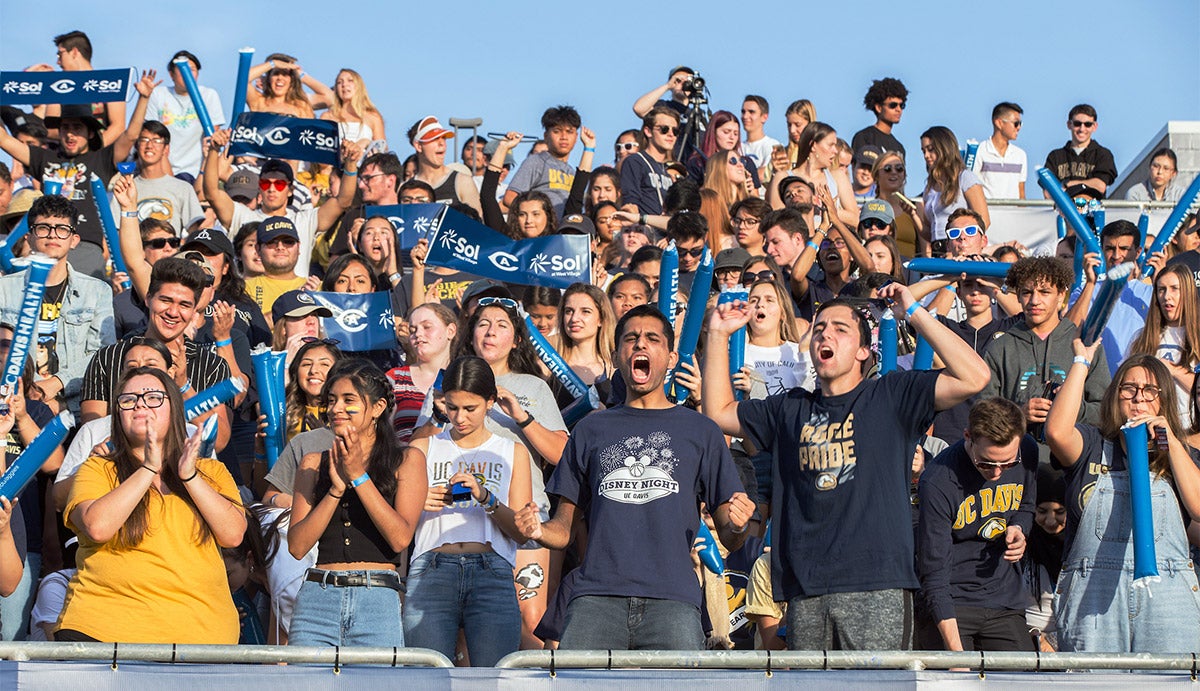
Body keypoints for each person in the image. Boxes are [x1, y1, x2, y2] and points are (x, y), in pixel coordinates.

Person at [702, 282, 992, 651]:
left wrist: (915, 311)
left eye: (841, 329)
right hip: (807, 589)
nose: (826, 334)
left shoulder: (891, 395)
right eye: (819, 328)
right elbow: (719, 413)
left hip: (878, 585)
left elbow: (975, 376)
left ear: (862, 351)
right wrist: (716, 333)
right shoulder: (789, 408)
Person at [514, 304, 754, 649]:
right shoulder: (590, 428)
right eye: (631, 339)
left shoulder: (701, 430)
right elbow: (563, 529)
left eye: (652, 339)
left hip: (673, 600)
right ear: (617, 355)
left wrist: (739, 523)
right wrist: (538, 530)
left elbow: (731, 538)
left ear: (671, 358)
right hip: (595, 599)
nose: (640, 345)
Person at [57, 367, 245, 643]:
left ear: (175, 409)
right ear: (118, 414)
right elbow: (97, 527)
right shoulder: (97, 468)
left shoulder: (211, 472)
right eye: (129, 399)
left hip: (201, 642)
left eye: (154, 397)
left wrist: (190, 477)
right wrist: (147, 469)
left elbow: (233, 534)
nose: (140, 404)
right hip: (104, 637)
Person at [1045, 347, 1200, 652]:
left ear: (1165, 399)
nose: (1139, 397)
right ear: (1115, 395)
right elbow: (1056, 432)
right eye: (1129, 388)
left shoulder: (1183, 457)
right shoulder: (1091, 445)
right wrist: (1081, 361)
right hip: (1093, 596)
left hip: (1168, 596)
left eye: (1151, 390)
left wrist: (1169, 439)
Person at [403, 356, 533, 666]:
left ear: (490, 401)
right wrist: (415, 501)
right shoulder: (423, 447)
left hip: (493, 571)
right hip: (431, 569)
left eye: (470, 408)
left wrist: (484, 496)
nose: (459, 418)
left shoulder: (512, 451)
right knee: (425, 680)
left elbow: (520, 531)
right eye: (452, 407)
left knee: (495, 679)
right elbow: (396, 523)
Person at [287, 358, 426, 646]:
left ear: (377, 408)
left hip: (376, 599)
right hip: (318, 597)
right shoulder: (313, 463)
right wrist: (335, 490)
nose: (336, 409)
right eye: (332, 400)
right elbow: (297, 546)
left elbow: (400, 538)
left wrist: (359, 477)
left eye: (348, 400)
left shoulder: (407, 460)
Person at [0, 72, 156, 279]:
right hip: (47, 244)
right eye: (65, 127)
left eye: (77, 128)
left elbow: (131, 135)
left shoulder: (101, 159)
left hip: (85, 246)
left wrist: (144, 98)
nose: (70, 134)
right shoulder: (44, 158)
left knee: (86, 308)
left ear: (90, 133)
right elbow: (3, 139)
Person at [917, 397, 1037, 652]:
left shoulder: (1027, 450)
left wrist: (1019, 528)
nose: (996, 473)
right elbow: (934, 573)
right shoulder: (939, 480)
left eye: (1007, 463)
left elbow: (1026, 506)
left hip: (1005, 600)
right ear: (968, 436)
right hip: (952, 601)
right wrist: (955, 657)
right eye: (986, 462)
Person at [981, 257, 1110, 463]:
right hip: (1016, 464)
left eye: (1044, 292)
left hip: (1076, 462)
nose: (1034, 301)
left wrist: (1071, 407)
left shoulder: (1083, 344)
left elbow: (1106, 411)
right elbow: (983, 413)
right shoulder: (1000, 347)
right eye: (1026, 292)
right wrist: (1019, 413)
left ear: (1061, 295)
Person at [0, 194, 114, 417]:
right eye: (43, 228)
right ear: (29, 237)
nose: (53, 234)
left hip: (75, 409)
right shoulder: (3, 289)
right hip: (11, 407)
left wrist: (56, 384)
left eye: (62, 228)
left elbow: (102, 355)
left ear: (74, 240)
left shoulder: (97, 291)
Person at [203, 132, 362, 279]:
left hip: (292, 303)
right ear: (259, 188)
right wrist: (213, 150)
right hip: (248, 301)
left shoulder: (305, 220)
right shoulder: (243, 215)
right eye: (266, 184)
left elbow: (343, 200)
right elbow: (211, 193)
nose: (271, 189)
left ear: (291, 190)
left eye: (279, 184)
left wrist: (351, 163)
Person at [1128, 263, 1200, 425]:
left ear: (1188, 292)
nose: (1167, 296)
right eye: (1161, 289)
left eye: (1175, 288)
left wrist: (1173, 371)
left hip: (1191, 432)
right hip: (1152, 431)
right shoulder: (1141, 337)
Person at [146, 50, 227, 178]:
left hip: (197, 170)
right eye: (182, 69)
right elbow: (151, 133)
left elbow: (212, 136)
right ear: (171, 74)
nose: (187, 73)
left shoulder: (208, 95)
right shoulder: (158, 94)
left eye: (192, 69)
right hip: (165, 168)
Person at [38, 31, 126, 146]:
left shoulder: (109, 82)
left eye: (60, 54)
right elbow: (50, 130)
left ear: (74, 52)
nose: (58, 62)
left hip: (103, 158)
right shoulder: (58, 87)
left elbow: (118, 126)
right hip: (69, 159)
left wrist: (93, 152)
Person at [390, 303, 456, 443]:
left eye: (427, 327)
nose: (418, 334)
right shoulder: (394, 378)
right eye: (413, 330)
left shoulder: (466, 376)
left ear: (450, 331)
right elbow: (382, 435)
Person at [919, 127, 990, 253]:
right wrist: (913, 214)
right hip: (938, 250)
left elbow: (984, 220)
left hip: (958, 249)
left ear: (944, 148)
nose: (926, 156)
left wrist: (961, 247)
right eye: (923, 151)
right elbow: (930, 232)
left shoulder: (965, 177)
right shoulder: (929, 187)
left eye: (930, 150)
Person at [128, 121, 205, 234]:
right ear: (137, 145)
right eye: (144, 140)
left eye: (156, 141)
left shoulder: (183, 188)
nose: (149, 146)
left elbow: (194, 232)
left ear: (166, 149)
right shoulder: (126, 188)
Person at [504, 106, 580, 216]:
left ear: (576, 137)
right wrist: (537, 217)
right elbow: (510, 197)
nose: (564, 137)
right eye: (557, 131)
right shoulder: (536, 162)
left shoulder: (572, 171)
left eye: (569, 132)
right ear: (546, 136)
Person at [409, 116, 481, 216]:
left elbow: (477, 225)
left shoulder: (462, 182)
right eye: (434, 139)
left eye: (443, 138)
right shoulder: (406, 188)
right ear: (418, 146)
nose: (442, 143)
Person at [1042, 105, 1117, 198]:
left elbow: (1100, 186)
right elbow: (1048, 193)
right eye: (1077, 124)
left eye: (1087, 124)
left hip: (1092, 211)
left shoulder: (1103, 155)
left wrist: (1068, 184)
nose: (1082, 129)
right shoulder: (1055, 156)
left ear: (1094, 126)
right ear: (1069, 125)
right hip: (1061, 211)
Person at [246, 217, 308, 322]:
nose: (280, 247)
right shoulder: (243, 289)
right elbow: (247, 328)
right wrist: (296, 301)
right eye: (271, 242)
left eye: (288, 242)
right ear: (258, 249)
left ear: (298, 247)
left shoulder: (317, 288)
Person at [620, 106, 678, 217]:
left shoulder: (675, 168)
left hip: (671, 229)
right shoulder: (635, 162)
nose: (671, 134)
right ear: (648, 131)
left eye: (675, 131)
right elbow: (631, 203)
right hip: (646, 230)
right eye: (664, 129)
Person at [557, 283, 615, 390]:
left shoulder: (614, 370)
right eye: (569, 311)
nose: (574, 318)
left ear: (601, 319)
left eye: (585, 312)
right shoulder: (548, 367)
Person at [972, 102, 1027, 200]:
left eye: (1020, 124)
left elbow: (1021, 192)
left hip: (1014, 214)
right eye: (1016, 123)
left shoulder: (1020, 155)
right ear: (999, 123)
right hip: (987, 213)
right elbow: (972, 187)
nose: (1019, 127)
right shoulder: (980, 150)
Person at [872, 152, 923, 257]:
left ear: (904, 175)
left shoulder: (916, 208)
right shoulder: (869, 210)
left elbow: (925, 247)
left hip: (909, 270)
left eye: (899, 168)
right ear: (876, 175)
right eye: (887, 169)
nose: (894, 172)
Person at [321, 68, 386, 150]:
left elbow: (382, 149)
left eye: (350, 80)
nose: (344, 85)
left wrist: (366, 143)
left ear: (359, 85)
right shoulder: (327, 116)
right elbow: (321, 149)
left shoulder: (373, 116)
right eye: (339, 82)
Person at [851, 78, 908, 157]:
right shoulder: (865, 137)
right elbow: (860, 168)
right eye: (893, 105)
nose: (898, 109)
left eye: (901, 105)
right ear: (879, 108)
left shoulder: (899, 148)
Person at [631, 66, 695, 119]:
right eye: (678, 81)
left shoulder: (698, 114)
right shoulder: (663, 106)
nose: (683, 84)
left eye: (687, 82)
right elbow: (639, 109)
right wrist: (667, 86)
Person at [741, 95, 781, 177]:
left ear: (764, 117)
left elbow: (765, 176)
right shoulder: (738, 147)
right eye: (743, 112)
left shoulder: (772, 145)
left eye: (751, 112)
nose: (745, 116)